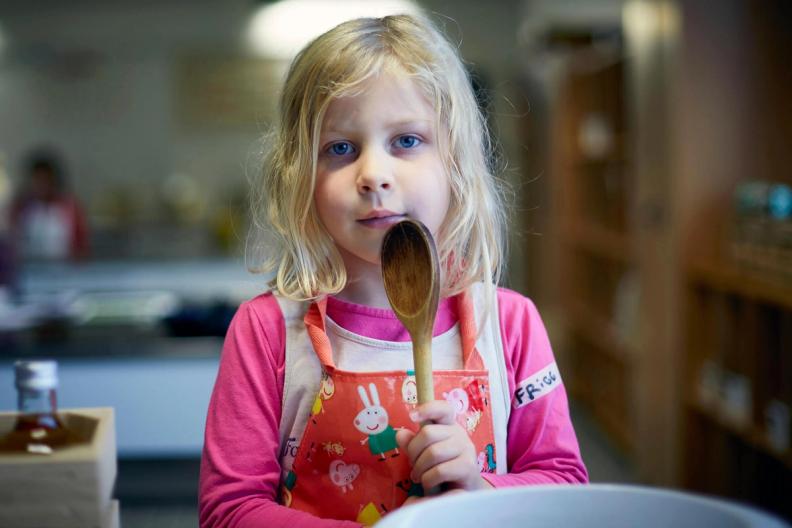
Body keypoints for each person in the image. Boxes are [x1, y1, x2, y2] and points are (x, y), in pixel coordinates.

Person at [199, 13, 588, 528]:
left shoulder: (510, 325)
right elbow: (230, 511)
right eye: (340, 148)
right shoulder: (268, 333)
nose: (374, 175)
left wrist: (480, 487)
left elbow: (564, 483)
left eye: (406, 141)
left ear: (454, 161)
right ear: (301, 177)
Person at [10, 151, 89, 261]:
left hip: (65, 268)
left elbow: (81, 243)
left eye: (46, 180)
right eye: (38, 180)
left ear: (54, 181)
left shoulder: (70, 207)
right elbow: (13, 240)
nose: (42, 186)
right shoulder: (21, 207)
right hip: (29, 267)